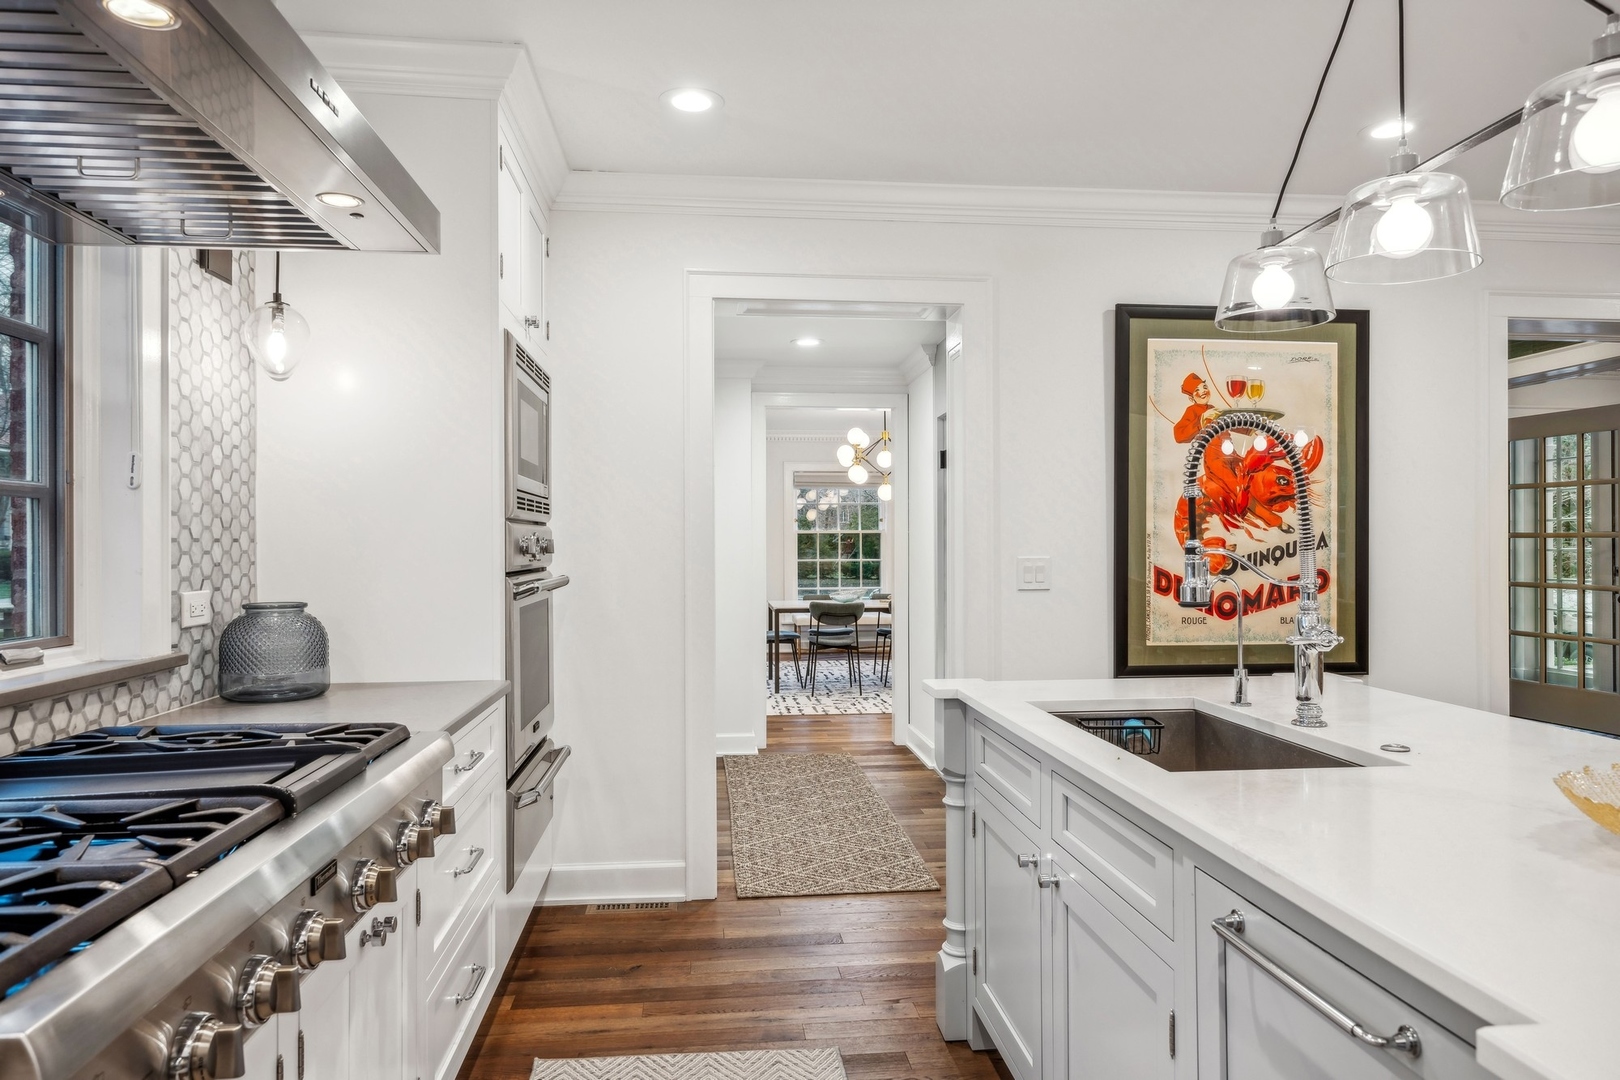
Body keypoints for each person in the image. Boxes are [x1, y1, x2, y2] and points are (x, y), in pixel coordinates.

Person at [1172, 373, 1216, 442]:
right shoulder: (1192, 410)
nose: (1203, 391)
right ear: (1192, 399)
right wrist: (1200, 423)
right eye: (1197, 390)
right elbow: (1179, 435)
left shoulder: (1212, 408)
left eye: (1205, 387)